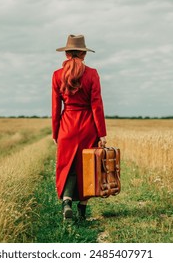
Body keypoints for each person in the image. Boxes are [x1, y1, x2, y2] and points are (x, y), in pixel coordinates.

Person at [51, 34, 107, 221]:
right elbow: (96, 105)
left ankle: (67, 201)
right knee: (87, 167)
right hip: (87, 125)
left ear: (67, 53)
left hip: (67, 125)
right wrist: (102, 133)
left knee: (67, 165)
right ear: (83, 54)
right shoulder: (92, 74)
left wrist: (55, 131)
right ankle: (82, 211)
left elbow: (55, 107)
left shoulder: (57, 75)